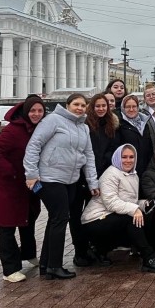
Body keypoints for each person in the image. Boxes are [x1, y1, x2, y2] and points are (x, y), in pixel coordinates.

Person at [24, 93, 99, 279]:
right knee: (61, 218)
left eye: (83, 105)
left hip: (71, 180)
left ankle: (46, 264)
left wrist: (92, 182)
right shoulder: (53, 120)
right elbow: (34, 145)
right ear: (67, 105)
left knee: (55, 219)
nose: (80, 108)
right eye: (76, 104)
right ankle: (55, 266)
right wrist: (31, 174)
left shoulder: (84, 127)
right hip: (50, 178)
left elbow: (89, 156)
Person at [0, 95, 45, 282]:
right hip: (10, 186)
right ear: (26, 112)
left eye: (40, 111)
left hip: (28, 186)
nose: (36, 114)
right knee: (7, 226)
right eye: (32, 111)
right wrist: (11, 171)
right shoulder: (13, 131)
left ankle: (28, 253)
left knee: (28, 219)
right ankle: (10, 269)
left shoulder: (38, 129)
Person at [81, 144, 155, 272]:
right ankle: (148, 258)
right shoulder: (111, 174)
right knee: (131, 220)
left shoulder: (134, 175)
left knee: (146, 216)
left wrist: (143, 204)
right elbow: (111, 202)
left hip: (111, 216)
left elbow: (129, 201)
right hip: (94, 219)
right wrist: (134, 209)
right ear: (117, 158)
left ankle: (100, 249)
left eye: (131, 157)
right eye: (124, 157)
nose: (128, 160)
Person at [69, 93, 120, 267]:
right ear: (92, 107)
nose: (101, 108)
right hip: (81, 177)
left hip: (102, 176)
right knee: (76, 215)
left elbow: (114, 148)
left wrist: (104, 163)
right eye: (97, 106)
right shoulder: (85, 124)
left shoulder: (111, 125)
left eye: (103, 105)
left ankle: (99, 249)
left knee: (99, 215)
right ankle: (80, 251)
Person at [118, 94, 150, 176]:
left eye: (134, 106)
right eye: (128, 107)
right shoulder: (119, 126)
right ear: (123, 108)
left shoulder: (145, 124)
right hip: (127, 171)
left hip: (145, 170)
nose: (131, 109)